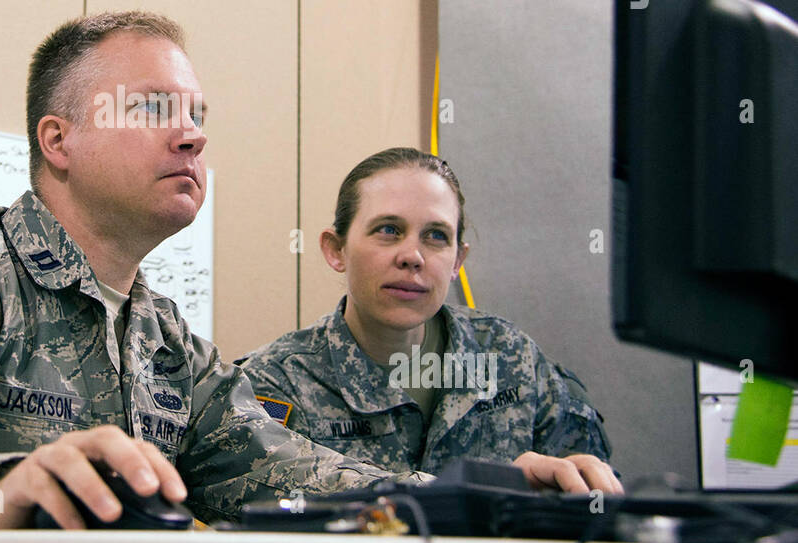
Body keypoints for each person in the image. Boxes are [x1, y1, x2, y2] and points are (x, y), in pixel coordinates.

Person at [0, 12, 416, 543]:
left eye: (197, 116)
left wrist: (463, 495)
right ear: (58, 140)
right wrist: (1, 488)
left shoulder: (166, 340)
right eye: (156, 109)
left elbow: (281, 467)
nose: (192, 137)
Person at [238, 147, 621, 494]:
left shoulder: (509, 358)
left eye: (436, 236)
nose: (412, 256)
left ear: (457, 261)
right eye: (388, 230)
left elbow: (593, 493)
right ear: (336, 249)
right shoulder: (277, 383)